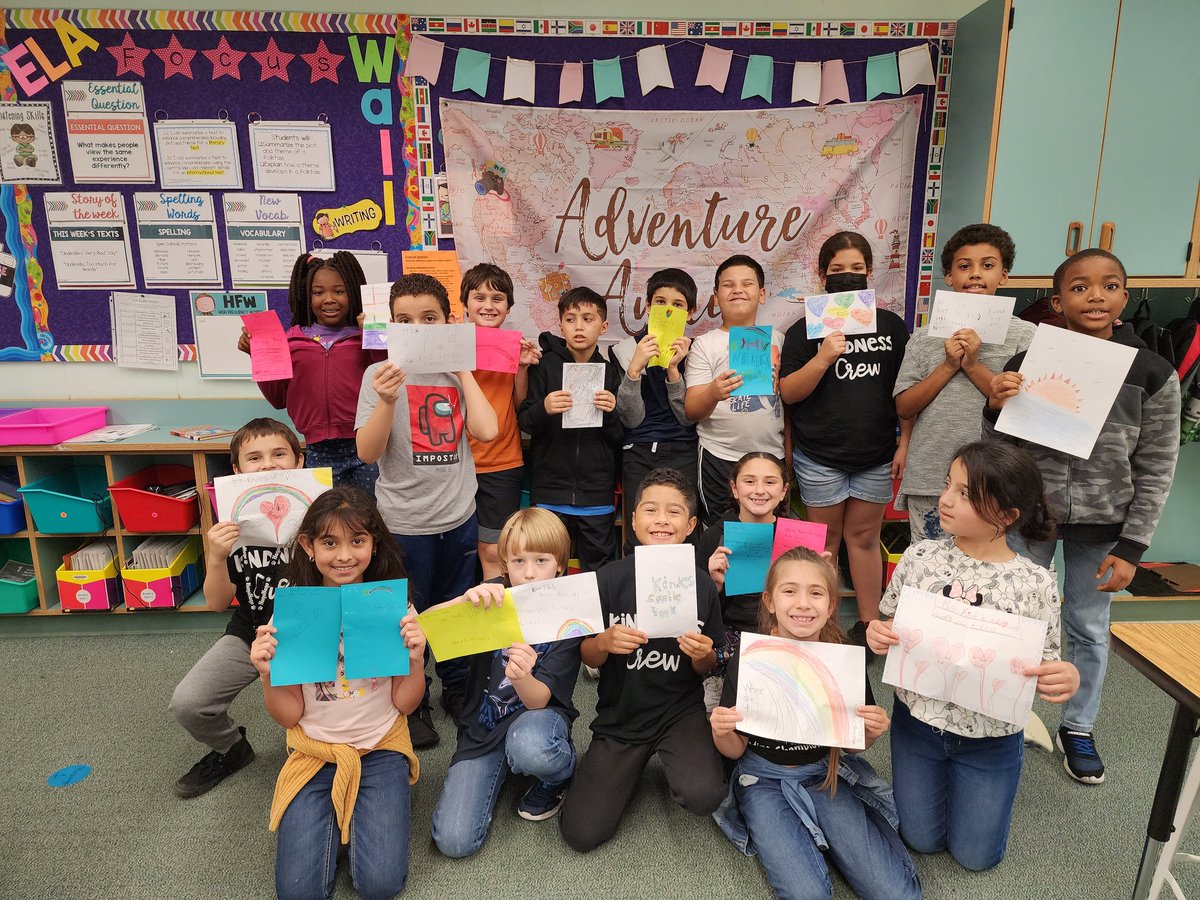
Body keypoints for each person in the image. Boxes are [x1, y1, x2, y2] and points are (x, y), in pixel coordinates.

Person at [985, 248, 1180, 784]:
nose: (1095, 295)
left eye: (1109, 285)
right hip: (1032, 519)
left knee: (1088, 626)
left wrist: (1133, 547)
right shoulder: (1027, 364)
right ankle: (1004, 715)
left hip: (1105, 527)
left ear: (1123, 296)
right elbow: (996, 451)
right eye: (1080, 287)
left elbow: (1158, 464)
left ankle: (1078, 725)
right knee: (1015, 619)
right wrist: (994, 408)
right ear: (1057, 300)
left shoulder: (1153, 372)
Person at [867, 441, 1080, 870]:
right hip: (918, 725)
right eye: (949, 485)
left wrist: (1067, 675)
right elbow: (888, 621)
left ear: (1006, 516)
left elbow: (1048, 661)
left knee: (976, 857)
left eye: (965, 493)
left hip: (991, 740)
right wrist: (877, 632)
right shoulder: (920, 557)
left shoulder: (1035, 583)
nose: (945, 498)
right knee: (920, 840)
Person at [711, 547, 921, 900]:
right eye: (790, 591)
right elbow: (736, 749)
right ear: (770, 601)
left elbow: (852, 744)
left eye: (816, 593)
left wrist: (869, 732)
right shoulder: (749, 660)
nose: (804, 604)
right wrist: (722, 731)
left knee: (898, 895)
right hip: (761, 777)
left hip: (824, 771)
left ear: (831, 605)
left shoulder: (843, 660)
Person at [249, 486, 426, 900]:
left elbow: (405, 704)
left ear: (373, 543)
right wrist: (266, 675)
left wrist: (416, 659)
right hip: (315, 752)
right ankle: (347, 816)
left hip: (380, 747)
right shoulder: (293, 613)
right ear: (309, 546)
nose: (344, 555)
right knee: (297, 893)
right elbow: (289, 716)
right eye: (330, 543)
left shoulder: (392, 607)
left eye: (357, 541)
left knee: (380, 886)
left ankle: (371, 808)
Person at [356, 272, 499, 747]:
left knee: (455, 605)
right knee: (407, 612)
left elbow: (487, 430)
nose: (417, 327)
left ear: (448, 321)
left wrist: (461, 370)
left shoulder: (458, 373)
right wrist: (386, 400)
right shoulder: (377, 377)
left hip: (457, 517)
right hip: (403, 522)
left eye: (429, 319)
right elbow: (367, 453)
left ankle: (457, 688)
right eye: (404, 320)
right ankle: (411, 699)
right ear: (391, 325)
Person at [559, 468, 726, 852]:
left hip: (679, 712)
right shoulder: (608, 578)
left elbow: (710, 663)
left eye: (674, 512)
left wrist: (702, 655)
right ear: (634, 520)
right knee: (581, 834)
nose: (662, 520)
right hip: (622, 714)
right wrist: (603, 641)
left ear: (691, 525)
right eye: (650, 510)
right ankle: (622, 770)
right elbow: (587, 655)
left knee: (704, 795)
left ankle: (671, 761)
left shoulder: (700, 583)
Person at [779, 231, 911, 653]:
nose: (847, 276)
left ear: (870, 274)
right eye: (837, 270)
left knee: (866, 537)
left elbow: (906, 394)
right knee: (825, 541)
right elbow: (788, 393)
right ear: (821, 276)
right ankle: (825, 628)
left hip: (875, 454)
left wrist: (904, 442)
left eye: (856, 269)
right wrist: (823, 356)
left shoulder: (890, 326)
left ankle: (869, 627)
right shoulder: (805, 331)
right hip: (820, 455)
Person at [431, 508, 581, 857]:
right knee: (454, 841)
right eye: (518, 561)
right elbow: (427, 631)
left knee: (531, 745)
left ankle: (558, 774)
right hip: (483, 727)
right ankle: (511, 760)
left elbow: (539, 700)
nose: (529, 572)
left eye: (541, 560)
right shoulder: (491, 595)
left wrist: (522, 676)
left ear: (560, 564)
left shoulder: (568, 610)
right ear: (504, 565)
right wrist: (460, 602)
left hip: (537, 718)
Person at [170, 418, 303, 798]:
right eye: (254, 458)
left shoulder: (319, 512)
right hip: (252, 631)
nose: (268, 464)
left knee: (310, 727)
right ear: (237, 470)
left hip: (314, 631)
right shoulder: (229, 523)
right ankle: (232, 748)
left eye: (280, 454)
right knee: (190, 703)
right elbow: (214, 602)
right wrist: (214, 556)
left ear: (299, 460)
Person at [894, 223, 1035, 544]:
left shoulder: (1024, 336)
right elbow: (904, 406)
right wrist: (947, 365)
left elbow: (1022, 408)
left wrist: (972, 365)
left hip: (997, 481)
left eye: (987, 265)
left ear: (1004, 275)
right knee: (931, 572)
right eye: (964, 266)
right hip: (932, 477)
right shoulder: (923, 337)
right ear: (949, 277)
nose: (975, 274)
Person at [240, 252, 381, 492]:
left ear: (353, 293)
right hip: (319, 451)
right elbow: (277, 399)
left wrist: (374, 337)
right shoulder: (292, 340)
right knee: (328, 520)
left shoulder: (364, 335)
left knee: (372, 517)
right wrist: (259, 355)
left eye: (339, 291)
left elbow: (385, 380)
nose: (328, 299)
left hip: (367, 446)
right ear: (307, 295)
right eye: (318, 292)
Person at [518, 286, 622, 572]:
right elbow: (525, 421)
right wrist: (545, 407)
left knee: (599, 569)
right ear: (561, 325)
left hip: (596, 493)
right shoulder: (545, 366)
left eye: (588, 319)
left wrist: (611, 413)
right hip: (550, 491)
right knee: (543, 568)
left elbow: (619, 438)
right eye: (571, 319)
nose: (579, 327)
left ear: (603, 326)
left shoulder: (610, 371)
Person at [684, 255, 785, 527]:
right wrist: (713, 392)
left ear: (761, 294)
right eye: (728, 285)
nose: (737, 290)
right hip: (720, 457)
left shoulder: (778, 340)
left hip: (771, 456)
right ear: (716, 298)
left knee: (770, 534)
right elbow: (692, 409)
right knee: (721, 533)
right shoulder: (705, 344)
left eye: (747, 284)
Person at [461, 263, 541, 580]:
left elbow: (521, 406)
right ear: (465, 303)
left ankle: (493, 620)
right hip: (455, 462)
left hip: (502, 462)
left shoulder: (514, 345)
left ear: (508, 306)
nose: (488, 305)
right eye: (479, 297)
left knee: (494, 549)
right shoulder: (450, 342)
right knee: (459, 547)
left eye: (497, 298)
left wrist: (521, 368)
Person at [609, 268, 698, 538]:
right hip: (638, 449)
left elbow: (688, 417)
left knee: (682, 530)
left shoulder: (694, 350)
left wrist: (674, 371)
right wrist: (635, 370)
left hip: (685, 448)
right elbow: (630, 419)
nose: (668, 309)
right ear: (648, 306)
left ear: (690, 313)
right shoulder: (624, 350)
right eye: (660, 302)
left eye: (678, 305)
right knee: (641, 532)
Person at [700, 451, 789, 706]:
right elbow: (699, 615)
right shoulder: (714, 536)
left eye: (770, 482)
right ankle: (718, 681)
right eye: (749, 481)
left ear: (783, 491)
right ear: (735, 489)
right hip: (731, 632)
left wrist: (819, 577)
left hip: (783, 631)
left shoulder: (795, 534)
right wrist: (714, 585)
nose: (759, 490)